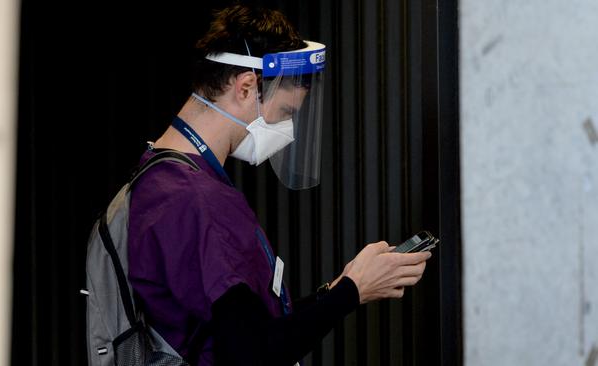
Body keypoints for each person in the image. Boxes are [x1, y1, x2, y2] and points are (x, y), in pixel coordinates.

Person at [127, 4, 431, 366]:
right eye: (285, 113)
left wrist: (338, 289)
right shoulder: (196, 200)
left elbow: (239, 327)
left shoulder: (159, 174)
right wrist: (351, 293)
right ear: (245, 87)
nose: (286, 132)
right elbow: (252, 355)